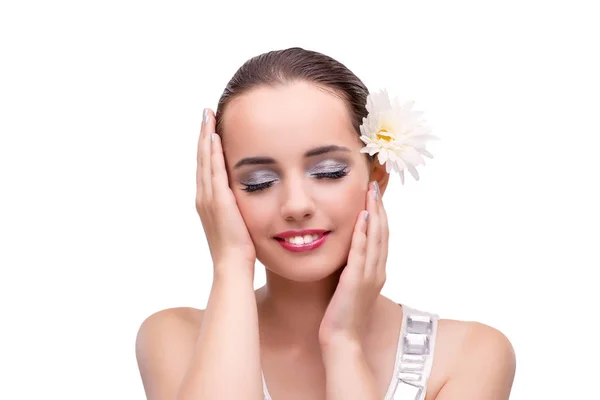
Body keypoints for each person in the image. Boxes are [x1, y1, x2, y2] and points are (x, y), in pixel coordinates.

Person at [135, 47, 516, 400]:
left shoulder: (468, 355)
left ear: (377, 175)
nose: (296, 205)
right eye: (258, 182)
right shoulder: (175, 338)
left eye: (328, 172)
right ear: (219, 191)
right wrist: (231, 264)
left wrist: (343, 344)